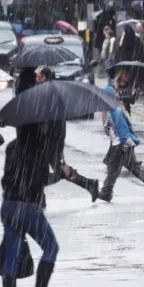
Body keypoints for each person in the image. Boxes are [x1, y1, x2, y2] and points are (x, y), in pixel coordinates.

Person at [0, 122, 63, 287]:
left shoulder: (12, 146)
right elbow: (40, 180)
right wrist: (61, 174)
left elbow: (8, 178)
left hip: (9, 204)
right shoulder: (38, 148)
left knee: (11, 258)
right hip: (27, 207)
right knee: (51, 247)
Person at [35, 66, 100, 201]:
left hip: (51, 139)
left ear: (46, 78)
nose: (37, 79)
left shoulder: (51, 93)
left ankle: (38, 194)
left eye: (40, 77)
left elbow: (53, 119)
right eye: (37, 76)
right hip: (49, 138)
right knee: (52, 168)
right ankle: (89, 184)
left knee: (50, 170)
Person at [99, 71, 144, 202]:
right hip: (121, 138)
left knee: (114, 164)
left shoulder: (117, 109)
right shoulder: (113, 104)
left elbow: (122, 128)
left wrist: (125, 144)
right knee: (131, 164)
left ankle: (107, 191)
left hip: (121, 139)